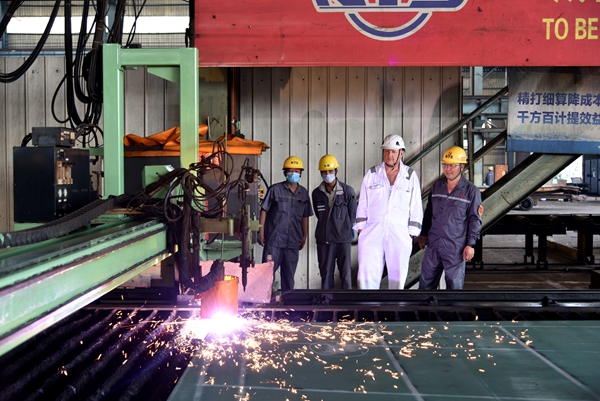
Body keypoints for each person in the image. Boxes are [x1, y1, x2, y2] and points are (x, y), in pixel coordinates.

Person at [354, 134, 423, 290]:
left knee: (397, 276)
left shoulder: (409, 176)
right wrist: (361, 228)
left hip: (399, 232)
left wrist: (411, 233)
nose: (389, 155)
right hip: (372, 230)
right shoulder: (372, 173)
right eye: (386, 151)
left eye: (393, 151)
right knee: (367, 275)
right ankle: (367, 304)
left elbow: (416, 206)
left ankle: (395, 304)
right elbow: (363, 202)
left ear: (401, 153)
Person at [418, 146, 483, 290]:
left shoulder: (471, 191)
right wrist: (423, 234)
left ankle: (451, 307)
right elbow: (429, 212)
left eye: (452, 166)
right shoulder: (437, 186)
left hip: (455, 248)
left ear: (462, 167)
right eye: (445, 165)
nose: (448, 169)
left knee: (454, 288)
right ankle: (426, 307)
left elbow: (475, 220)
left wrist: (470, 245)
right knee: (425, 286)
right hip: (434, 245)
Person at [259, 156, 313, 291]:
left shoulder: (303, 193)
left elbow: (305, 216)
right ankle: (264, 301)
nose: (294, 173)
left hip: (293, 242)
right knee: (266, 276)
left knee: (289, 278)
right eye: (290, 170)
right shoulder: (275, 190)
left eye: (297, 171)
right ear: (285, 172)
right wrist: (260, 232)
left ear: (301, 173)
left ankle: (288, 303)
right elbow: (264, 210)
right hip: (274, 241)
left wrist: (304, 235)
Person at [312, 154, 357, 289]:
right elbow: (319, 215)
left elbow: (352, 214)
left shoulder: (348, 191)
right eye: (324, 171)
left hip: (343, 239)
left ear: (336, 171)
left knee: (345, 274)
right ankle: (327, 300)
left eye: (330, 171)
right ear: (320, 172)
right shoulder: (316, 193)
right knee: (326, 275)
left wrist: (344, 228)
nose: (327, 174)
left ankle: (346, 301)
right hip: (324, 240)